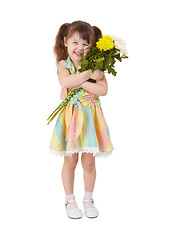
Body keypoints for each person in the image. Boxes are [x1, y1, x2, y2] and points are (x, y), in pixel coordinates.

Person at [50, 21, 114, 219]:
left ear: (92, 47)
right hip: (72, 119)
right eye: (75, 42)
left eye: (86, 45)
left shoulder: (98, 65)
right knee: (70, 161)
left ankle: (88, 198)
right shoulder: (64, 65)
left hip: (91, 119)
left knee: (89, 163)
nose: (80, 48)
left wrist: (83, 81)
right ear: (66, 42)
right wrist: (88, 76)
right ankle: (70, 199)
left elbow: (102, 90)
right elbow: (66, 81)